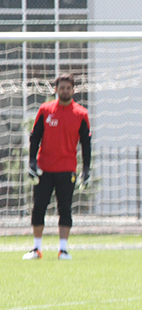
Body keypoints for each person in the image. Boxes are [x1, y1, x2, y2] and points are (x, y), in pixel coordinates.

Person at [23, 73, 91, 261]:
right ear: (56, 89)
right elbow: (35, 137)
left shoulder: (81, 114)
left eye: (68, 88)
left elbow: (86, 143)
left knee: (65, 209)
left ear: (73, 90)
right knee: (39, 208)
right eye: (62, 87)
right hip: (44, 168)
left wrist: (86, 169)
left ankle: (63, 250)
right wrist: (32, 162)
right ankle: (37, 249)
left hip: (67, 169)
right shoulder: (45, 110)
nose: (65, 91)